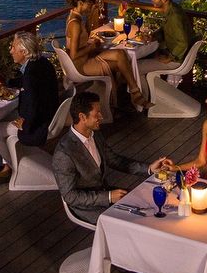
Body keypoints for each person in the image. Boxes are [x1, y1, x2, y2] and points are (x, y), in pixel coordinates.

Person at [53, 91, 172, 224]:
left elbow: (115, 160)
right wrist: (108, 197)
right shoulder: (64, 153)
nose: (101, 116)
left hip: (107, 194)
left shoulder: (94, 134)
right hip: (88, 208)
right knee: (137, 221)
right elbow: (70, 196)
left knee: (150, 205)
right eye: (97, 113)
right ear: (82, 117)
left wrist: (149, 168)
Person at [64, 0, 144, 109]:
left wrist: (90, 20)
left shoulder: (75, 17)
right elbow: (73, 55)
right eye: (89, 2)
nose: (91, 5)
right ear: (80, 3)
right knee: (121, 64)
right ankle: (122, 99)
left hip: (85, 57)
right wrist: (91, 47)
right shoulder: (75, 24)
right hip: (80, 66)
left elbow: (83, 37)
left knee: (121, 54)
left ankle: (132, 92)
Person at [8, 29, 60, 149]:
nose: (11, 51)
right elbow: (35, 88)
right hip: (50, 118)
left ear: (24, 51)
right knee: (8, 115)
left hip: (38, 128)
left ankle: (11, 164)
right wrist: (9, 82)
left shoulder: (30, 75)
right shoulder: (42, 63)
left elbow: (33, 105)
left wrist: (25, 126)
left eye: (13, 47)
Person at [138, 0, 196, 78]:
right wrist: (153, 36)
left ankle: (142, 93)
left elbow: (183, 42)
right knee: (144, 58)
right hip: (171, 54)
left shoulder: (174, 16)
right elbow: (166, 30)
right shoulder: (172, 9)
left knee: (137, 67)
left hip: (176, 60)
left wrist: (170, 57)